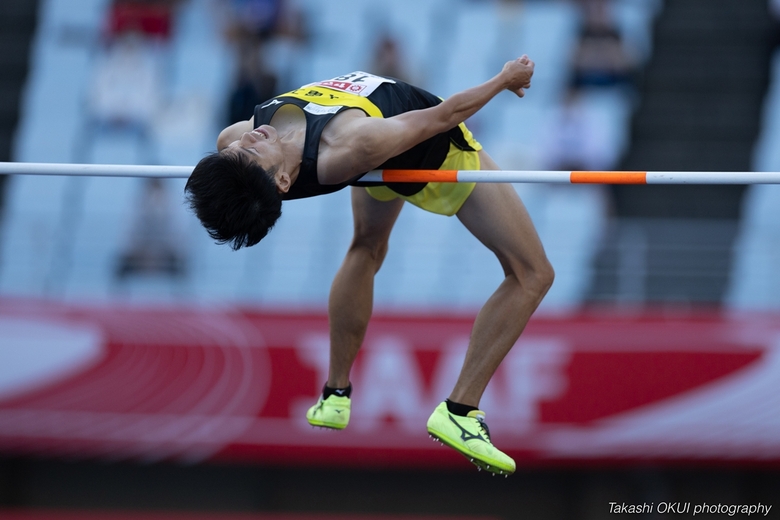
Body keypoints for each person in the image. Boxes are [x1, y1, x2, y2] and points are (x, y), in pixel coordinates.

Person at [185, 57, 554, 476]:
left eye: (236, 150)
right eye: (249, 153)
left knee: (367, 245)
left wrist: (242, 162)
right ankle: (460, 409)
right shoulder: (350, 145)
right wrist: (505, 79)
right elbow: (445, 115)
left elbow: (236, 162)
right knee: (532, 274)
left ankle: (335, 394)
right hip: (430, 152)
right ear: (282, 184)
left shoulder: (233, 138)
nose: (245, 139)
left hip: (373, 154)